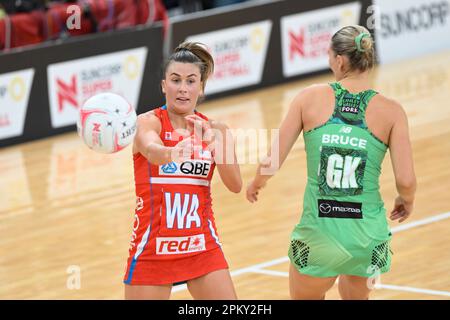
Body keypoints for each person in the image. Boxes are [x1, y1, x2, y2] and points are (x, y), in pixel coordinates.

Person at [246, 25, 416, 300]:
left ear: (339, 60)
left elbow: (271, 161)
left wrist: (256, 183)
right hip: (367, 238)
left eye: (329, 55)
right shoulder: (392, 111)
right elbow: (406, 181)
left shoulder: (308, 98)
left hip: (318, 236)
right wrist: (406, 199)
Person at [123, 41, 242, 299]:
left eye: (191, 81)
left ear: (200, 88)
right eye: (175, 80)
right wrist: (172, 153)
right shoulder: (148, 122)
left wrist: (215, 144)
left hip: (201, 244)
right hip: (153, 247)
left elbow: (235, 185)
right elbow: (152, 151)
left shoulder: (216, 129)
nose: (183, 89)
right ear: (164, 85)